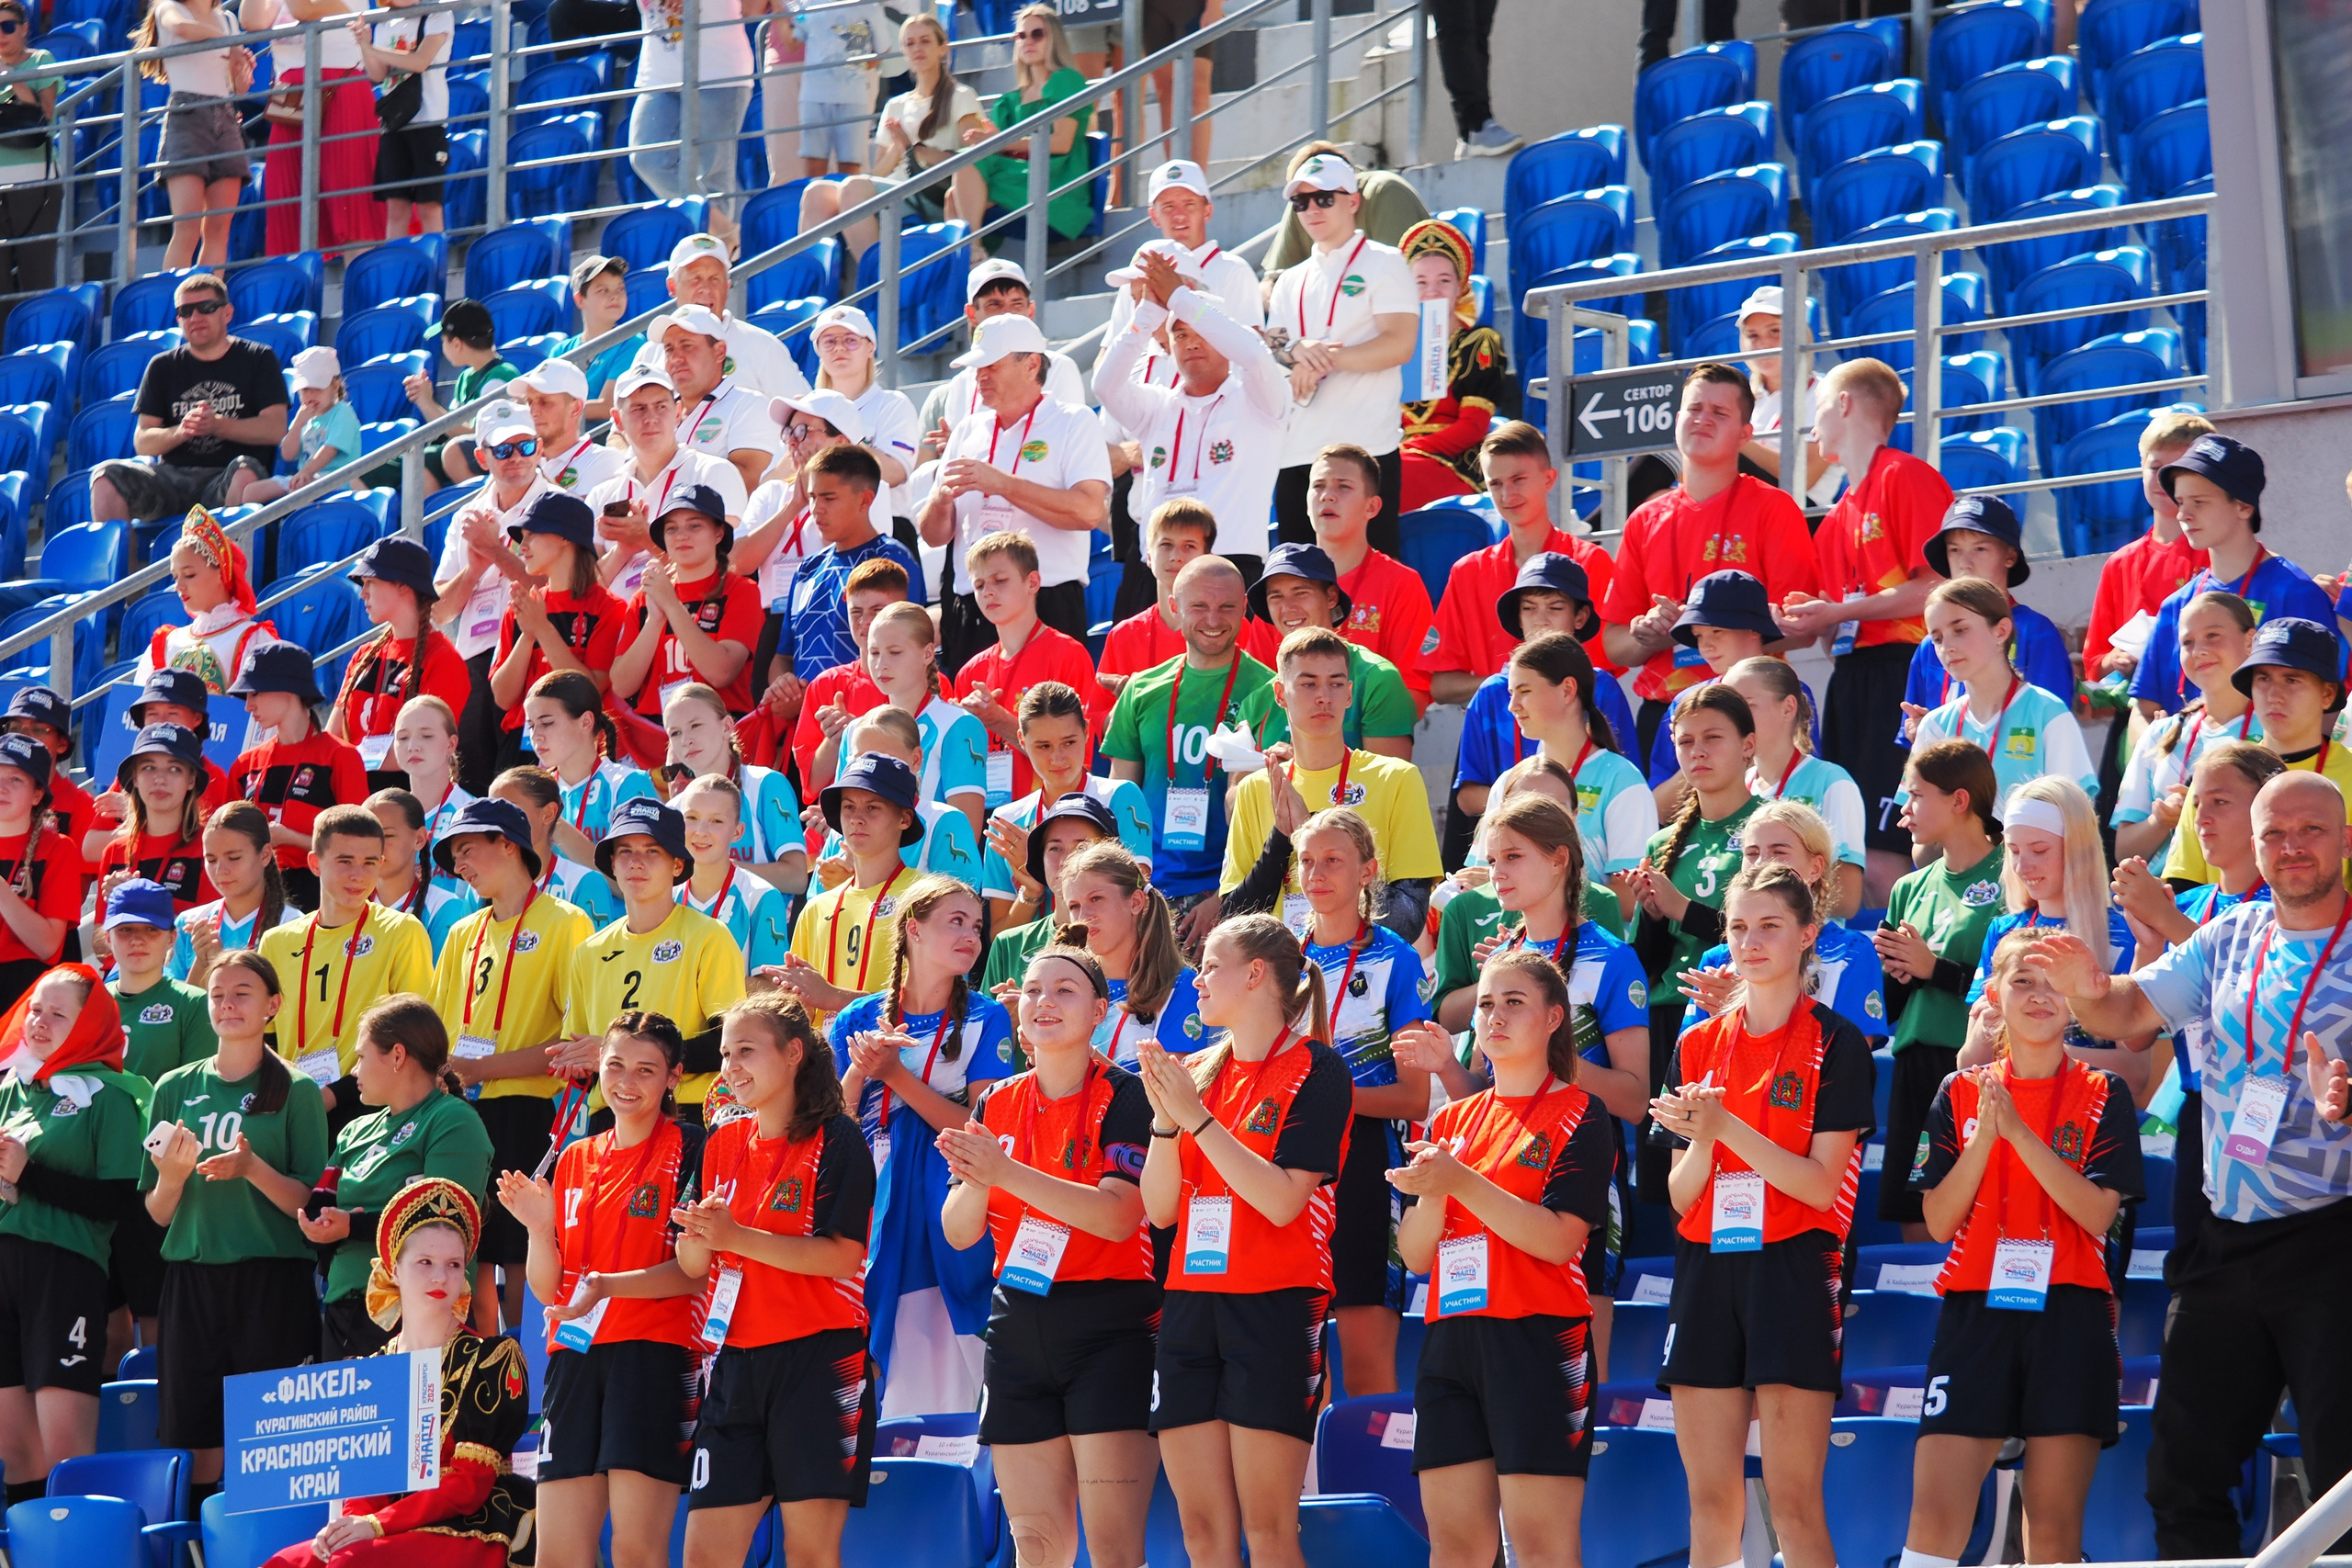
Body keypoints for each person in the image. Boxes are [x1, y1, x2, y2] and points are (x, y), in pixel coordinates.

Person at [2026, 769, 2352, 1558]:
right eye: (2273, 833)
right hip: (2222, 1239)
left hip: (2333, 1244)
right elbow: (2130, 1010)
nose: (2290, 847)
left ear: (2343, 838)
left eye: (2309, 829)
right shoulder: (2230, 933)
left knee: (2340, 1481)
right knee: (2183, 1473)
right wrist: (2083, 990)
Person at [1649, 863, 1874, 1568]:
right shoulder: (1696, 1042)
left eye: (1770, 925)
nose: (1750, 940)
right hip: (1707, 1264)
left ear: (1808, 935)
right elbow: (1682, 1194)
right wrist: (1708, 1135)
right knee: (1711, 1502)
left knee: (1793, 1501)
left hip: (1794, 1265)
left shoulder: (1837, 1042)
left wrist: (1725, 1127)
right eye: (1739, 926)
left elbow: (1818, 1184)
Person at [1899, 931, 2142, 1568]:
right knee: (1933, 1519)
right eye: (2022, 981)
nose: (2039, 996)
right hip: (1975, 1311)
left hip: (2072, 1313)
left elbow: (2096, 1212)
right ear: (1993, 997)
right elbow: (1939, 1219)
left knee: (2053, 1533)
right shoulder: (1958, 1092)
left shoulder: (2103, 1091)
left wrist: (2019, 1132)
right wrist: (1986, 1133)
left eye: (2052, 981)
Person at [1135, 915, 1351, 1568]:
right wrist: (1163, 1124)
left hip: (1277, 1304)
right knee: (1201, 1530)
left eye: (1210, 964)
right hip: (1192, 1306)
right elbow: (1161, 1210)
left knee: (1269, 1529)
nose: (1196, 979)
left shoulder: (1318, 1067)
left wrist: (1194, 1117)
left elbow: (1284, 1199)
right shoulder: (1195, 1070)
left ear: (1255, 973)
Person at [939, 942, 1159, 1568]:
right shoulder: (996, 1101)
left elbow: (1118, 1215)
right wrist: (982, 1177)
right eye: (1033, 990)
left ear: (1099, 1010)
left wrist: (1004, 1170)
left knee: (1114, 1548)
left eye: (1064, 990)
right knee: (1034, 1544)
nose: (1044, 1002)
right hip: (1017, 1322)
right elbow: (959, 1231)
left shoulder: (1126, 1094)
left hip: (1111, 1323)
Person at [1390, 950, 1612, 1568]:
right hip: (1451, 1343)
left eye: (1515, 1001)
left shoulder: (1580, 1111)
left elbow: (1559, 1239)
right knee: (1457, 1548)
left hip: (1538, 1340)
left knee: (1541, 1548)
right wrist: (1436, 1191)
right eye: (1486, 1002)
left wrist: (1459, 1181)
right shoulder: (1453, 1118)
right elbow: (1414, 1254)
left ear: (1553, 1019)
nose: (1495, 1014)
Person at [672, 995, 876, 1568]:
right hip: (735, 1366)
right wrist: (698, 1239)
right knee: (704, 1557)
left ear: (792, 1054)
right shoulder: (719, 1144)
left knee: (809, 1555)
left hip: (818, 1361)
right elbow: (693, 1266)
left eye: (745, 1052)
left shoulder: (838, 1139)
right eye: (725, 1054)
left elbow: (842, 1257)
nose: (731, 1066)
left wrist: (734, 1238)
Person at [501, 1013, 700, 1568]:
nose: (627, 1082)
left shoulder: (691, 1147)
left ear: (674, 1077)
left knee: (636, 1550)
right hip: (573, 1360)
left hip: (653, 1355)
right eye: (615, 1065)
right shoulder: (575, 1157)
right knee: (559, 1555)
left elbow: (695, 1272)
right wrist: (539, 1228)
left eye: (646, 1070)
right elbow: (548, 1285)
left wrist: (607, 1289)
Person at [267, 1179, 532, 1568]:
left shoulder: (491, 1359)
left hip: (471, 1526)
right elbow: (365, 1485)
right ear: (394, 1269)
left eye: (453, 1264)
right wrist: (351, 1524)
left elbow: (467, 1488)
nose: (440, 1277)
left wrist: (375, 1525)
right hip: (390, 1528)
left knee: (348, 1564)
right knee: (287, 1562)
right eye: (425, 1262)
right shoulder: (371, 1371)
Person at [141, 950, 327, 1500]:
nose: (226, 1004)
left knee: (270, 1445)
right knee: (192, 1442)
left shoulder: (296, 1089)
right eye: (218, 994)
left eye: (242, 993)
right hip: (193, 1281)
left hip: (272, 1282)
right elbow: (157, 1212)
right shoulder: (172, 1087)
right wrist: (172, 1178)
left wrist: (251, 1168)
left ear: (272, 1005)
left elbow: (309, 1205)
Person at [829, 877, 1012, 1415]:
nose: (971, 936)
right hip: (870, 1196)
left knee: (945, 1352)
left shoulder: (987, 1016)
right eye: (956, 922)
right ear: (913, 928)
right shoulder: (855, 1019)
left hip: (947, 1197)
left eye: (977, 926)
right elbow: (837, 1130)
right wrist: (861, 1074)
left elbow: (982, 1130)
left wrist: (897, 1078)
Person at [2112, 740, 2284, 1278]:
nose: (2201, 818)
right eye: (2197, 803)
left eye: (2222, 802)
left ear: (2265, 811)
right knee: (2195, 1264)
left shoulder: (2285, 905)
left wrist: (2164, 923)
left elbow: (2255, 988)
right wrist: (2146, 942)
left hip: (2270, 1106)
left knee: (2264, 1263)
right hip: (2200, 1109)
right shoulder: (2188, 906)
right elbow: (2135, 1039)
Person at [1599, 363, 1821, 754]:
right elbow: (1615, 645)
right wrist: (1646, 636)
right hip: (1665, 714)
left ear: (1745, 435)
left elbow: (1803, 629)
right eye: (1694, 409)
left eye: (1720, 413)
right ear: (1676, 419)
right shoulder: (1644, 519)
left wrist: (1705, 628)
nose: (1703, 420)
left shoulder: (1774, 508)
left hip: (1746, 714)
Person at [430, 798, 594, 1331]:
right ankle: (481, 1364)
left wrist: (484, 1069)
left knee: (520, 1247)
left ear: (509, 844)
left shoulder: (566, 922)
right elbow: (442, 1029)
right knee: (467, 1241)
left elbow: (569, 1041)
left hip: (528, 1108)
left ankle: (522, 1367)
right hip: (460, 1112)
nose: (460, 866)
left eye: (468, 849)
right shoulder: (460, 932)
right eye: (453, 855)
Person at [1292, 807, 1432, 1398]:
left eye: (1334, 861)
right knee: (1302, 1367)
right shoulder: (1280, 959)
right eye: (1306, 861)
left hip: (1367, 1166)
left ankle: (1376, 1487)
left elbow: (1414, 1095)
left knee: (1368, 1361)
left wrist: (1333, 1103)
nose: (1316, 873)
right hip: (1292, 1165)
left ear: (1367, 872)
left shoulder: (1393, 958)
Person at [0, 969, 144, 1504]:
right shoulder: (10, 1085)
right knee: (15, 1457)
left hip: (64, 1273)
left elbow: (119, 1203)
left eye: (58, 1014)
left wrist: (29, 1175)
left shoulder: (109, 1096)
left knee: (66, 1456)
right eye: (36, 1008)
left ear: (89, 1024)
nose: (39, 1021)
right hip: (4, 1272)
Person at [294, 994, 493, 1361]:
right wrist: (319, 1226)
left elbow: (443, 1225)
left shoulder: (452, 1120)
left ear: (398, 1056)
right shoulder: (355, 1130)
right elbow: (320, 1202)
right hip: (344, 1308)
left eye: (361, 1057)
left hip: (419, 1312)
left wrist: (350, 1226)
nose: (353, 1071)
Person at [1220, 628, 1444, 940]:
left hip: (1363, 971)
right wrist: (1282, 838)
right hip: (1283, 974)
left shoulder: (1396, 778)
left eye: (1336, 683)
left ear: (1349, 693)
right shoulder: (1256, 788)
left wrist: (1311, 832)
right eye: (1308, 683)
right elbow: (1233, 920)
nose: (1324, 696)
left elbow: (1408, 918)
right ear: (1280, 694)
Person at [1871, 740, 2009, 1241]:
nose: (1904, 811)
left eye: (1915, 795)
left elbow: (2008, 983)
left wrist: (1934, 969)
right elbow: (1890, 1003)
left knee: (1978, 1202)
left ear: (1959, 800)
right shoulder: (1910, 887)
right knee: (1918, 1205)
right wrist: (1901, 975)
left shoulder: (2011, 875)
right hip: (1914, 1063)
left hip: (1975, 1061)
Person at [920, 313, 1113, 671]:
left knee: (1046, 721)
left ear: (1032, 364)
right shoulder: (967, 429)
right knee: (975, 721)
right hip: (973, 603)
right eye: (977, 367)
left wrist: (1003, 485)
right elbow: (933, 535)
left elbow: (1088, 511)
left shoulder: (1073, 420)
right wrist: (940, 500)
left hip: (1047, 599)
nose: (980, 375)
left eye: (991, 365)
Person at [1103, 557, 1276, 949]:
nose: (1213, 619)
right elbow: (1121, 799)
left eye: (1227, 607)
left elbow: (1270, 817)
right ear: (1175, 607)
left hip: (1230, 892)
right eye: (1199, 606)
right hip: (1148, 891)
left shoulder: (1270, 691)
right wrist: (1132, 891)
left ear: (1245, 609)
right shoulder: (1142, 689)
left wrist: (1229, 896)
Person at [1094, 243, 1289, 579]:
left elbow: (1255, 355)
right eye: (1181, 335)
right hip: (1158, 571)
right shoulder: (1157, 405)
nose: (1192, 343)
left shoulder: (1259, 401)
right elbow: (1105, 387)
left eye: (1203, 335)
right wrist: (1147, 317)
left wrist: (1179, 298)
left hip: (1231, 568)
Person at [1626, 683, 1762, 1152]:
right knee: (1671, 1171)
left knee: (1731, 1162)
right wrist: (1654, 914)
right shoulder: (1661, 843)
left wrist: (1680, 908)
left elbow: (1768, 928)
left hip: (1741, 1013)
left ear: (1748, 746)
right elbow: (1649, 961)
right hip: (1668, 1016)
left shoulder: (1772, 827)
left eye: (1713, 738)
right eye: (1685, 742)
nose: (1697, 752)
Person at [1959, 775, 2150, 1098]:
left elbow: (2136, 1072)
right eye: (2014, 851)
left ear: (2077, 850)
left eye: (2039, 850)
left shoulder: (2127, 932)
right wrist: (1988, 1031)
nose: (2022, 866)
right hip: (2010, 1113)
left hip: (2087, 1119)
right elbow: (1967, 1066)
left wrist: (2036, 1052)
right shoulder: (2003, 931)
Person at [2129, 433, 2343, 716]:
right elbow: (2143, 710)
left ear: (2244, 506)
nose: (2183, 515)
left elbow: (2327, 709)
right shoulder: (2177, 606)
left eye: (2199, 502)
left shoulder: (2296, 594)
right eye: (2181, 502)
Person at [1266, 152, 1418, 548]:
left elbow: (1400, 343)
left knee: (1370, 586)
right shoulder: (1289, 280)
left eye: (1324, 198)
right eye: (1301, 202)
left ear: (1353, 202)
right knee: (1300, 586)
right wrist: (1298, 351)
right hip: (1297, 453)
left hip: (1367, 450)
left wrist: (1323, 358)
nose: (1312, 209)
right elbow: (1275, 347)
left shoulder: (1386, 262)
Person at [563, 798, 748, 1121]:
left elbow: (729, 1041)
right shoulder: (589, 951)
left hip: (683, 1112)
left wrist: (622, 1055)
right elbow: (583, 1059)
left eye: (652, 851)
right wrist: (576, 1063)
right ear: (612, 864)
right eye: (625, 851)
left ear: (677, 865)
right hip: (610, 1116)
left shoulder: (709, 935)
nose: (636, 862)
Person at [256, 807, 435, 1124]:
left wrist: (333, 1095)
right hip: (294, 1104)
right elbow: (262, 1035)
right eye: (345, 861)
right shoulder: (277, 940)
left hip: (370, 1110)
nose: (358, 875)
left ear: (381, 865)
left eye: (369, 863)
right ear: (315, 863)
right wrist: (295, 1087)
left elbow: (411, 1038)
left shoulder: (402, 932)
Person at [1427, 422, 1617, 705]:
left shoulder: (1590, 561)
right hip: (1494, 735)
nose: (1507, 495)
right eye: (1496, 484)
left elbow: (1603, 672)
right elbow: (1441, 686)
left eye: (1518, 480)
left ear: (1549, 479)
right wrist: (1507, 682)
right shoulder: (1468, 571)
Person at [1676, 801, 1889, 1047]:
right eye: (1752, 853)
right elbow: (1690, 1064)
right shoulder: (1719, 961)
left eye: (1778, 852)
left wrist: (1748, 1008)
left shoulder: (1850, 952)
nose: (1762, 864)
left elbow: (1851, 1060)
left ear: (1815, 868)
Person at [1453, 558, 1634, 840]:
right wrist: (1534, 808)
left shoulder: (1603, 687)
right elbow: (1467, 795)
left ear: (1580, 617)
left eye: (1555, 607)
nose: (1541, 619)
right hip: (1508, 842)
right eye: (1528, 608)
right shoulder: (1491, 693)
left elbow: (1627, 776)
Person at [2166, 616, 2352, 884]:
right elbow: (2182, 886)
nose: (2274, 694)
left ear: (2327, 694)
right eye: (2263, 678)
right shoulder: (2214, 775)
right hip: (2213, 925)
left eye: (2291, 680)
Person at [93, 276, 288, 525]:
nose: (195, 317)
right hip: (172, 478)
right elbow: (143, 441)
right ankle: (131, 565)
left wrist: (217, 425)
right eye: (186, 311)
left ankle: (230, 563)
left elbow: (275, 429)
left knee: (244, 471)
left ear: (227, 313)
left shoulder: (258, 358)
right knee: (105, 477)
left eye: (206, 308)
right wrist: (182, 431)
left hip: (229, 473)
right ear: (179, 320)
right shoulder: (162, 366)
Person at [1900, 578, 2098, 818]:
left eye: (1960, 630)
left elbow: (2078, 821)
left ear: (2001, 631)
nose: (1947, 647)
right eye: (1938, 638)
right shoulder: (1935, 725)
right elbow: (1919, 838)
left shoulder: (2048, 713)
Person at [758, 442, 923, 727]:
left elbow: (912, 649)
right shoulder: (807, 570)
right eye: (812, 497)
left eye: (829, 498)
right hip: (808, 731)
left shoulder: (894, 560)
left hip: (873, 726)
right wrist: (783, 686)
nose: (815, 509)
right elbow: (783, 656)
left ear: (865, 500)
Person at [431, 403, 550, 785]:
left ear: (540, 447)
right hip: (476, 665)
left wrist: (497, 552)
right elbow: (441, 611)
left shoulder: (560, 507)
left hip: (535, 656)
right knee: (474, 787)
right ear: (482, 457)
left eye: (525, 447)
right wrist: (475, 570)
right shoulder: (467, 515)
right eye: (502, 450)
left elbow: (560, 591)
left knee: (521, 788)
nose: (516, 457)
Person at [952, 530, 1112, 807]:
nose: (988, 592)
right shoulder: (970, 672)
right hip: (989, 818)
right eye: (978, 585)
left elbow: (1075, 759)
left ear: (1033, 582)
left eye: (1000, 581)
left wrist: (998, 720)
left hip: (1051, 815)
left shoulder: (1067, 654)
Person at [800, 13, 986, 248]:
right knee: (815, 192)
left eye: (925, 41)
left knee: (853, 186)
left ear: (942, 47)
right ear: (904, 53)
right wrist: (898, 150)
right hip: (894, 192)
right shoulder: (895, 105)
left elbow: (972, 164)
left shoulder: (961, 96)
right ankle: (814, 283)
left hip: (931, 194)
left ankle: (877, 279)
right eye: (910, 43)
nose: (917, 48)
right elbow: (878, 172)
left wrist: (914, 149)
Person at [976, 684, 1156, 927]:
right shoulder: (1006, 821)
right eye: (1043, 746)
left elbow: (1136, 903)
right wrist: (1031, 891)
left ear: (1087, 731)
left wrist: (1039, 865)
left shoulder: (1120, 798)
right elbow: (1000, 939)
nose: (1057, 758)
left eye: (1069, 742)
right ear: (1021, 739)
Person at [772, 755, 924, 1028]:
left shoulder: (927, 896)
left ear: (904, 818)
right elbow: (801, 1016)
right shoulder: (816, 908)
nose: (857, 819)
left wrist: (833, 997)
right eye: (848, 807)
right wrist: (798, 1006)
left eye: (873, 807)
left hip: (898, 1060)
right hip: (824, 1065)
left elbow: (931, 1003)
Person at [1496, 632, 1654, 892]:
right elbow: (1481, 879)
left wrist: (1542, 896)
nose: (1513, 705)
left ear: (1568, 690)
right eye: (1511, 693)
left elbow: (1630, 898)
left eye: (1524, 691)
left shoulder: (1621, 780)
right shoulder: (1508, 783)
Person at [2112, 591, 2258, 867]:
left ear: (2250, 641)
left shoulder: (2277, 727)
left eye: (2213, 635)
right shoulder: (2159, 735)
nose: (2199, 650)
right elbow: (2125, 851)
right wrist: (2160, 821)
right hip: (2171, 902)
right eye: (2187, 642)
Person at [490, 492, 631, 773]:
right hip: (521, 745)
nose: (523, 546)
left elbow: (591, 687)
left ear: (566, 538)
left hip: (577, 746)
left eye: (532, 534)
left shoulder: (609, 607)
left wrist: (542, 628)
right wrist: (528, 635)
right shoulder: (524, 607)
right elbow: (503, 697)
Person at [585, 368, 752, 604]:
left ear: (678, 412)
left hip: (688, 624)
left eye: (661, 406)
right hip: (620, 632)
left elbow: (728, 567)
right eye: (638, 408)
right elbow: (586, 593)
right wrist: (623, 549)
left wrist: (645, 539)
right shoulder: (602, 493)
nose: (651, 418)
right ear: (618, 420)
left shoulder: (712, 473)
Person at [1237, 543, 1419, 757]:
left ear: (1332, 597)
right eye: (1276, 596)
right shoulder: (1258, 698)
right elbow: (1235, 788)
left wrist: (1305, 769)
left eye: (1301, 592)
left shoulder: (1377, 678)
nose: (1288, 608)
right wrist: (1269, 772)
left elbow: (1392, 785)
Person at [1901, 496, 2076, 718]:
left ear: (2010, 556)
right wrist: (1920, 730)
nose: (1965, 562)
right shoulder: (1933, 644)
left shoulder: (2035, 631)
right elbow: (1913, 729)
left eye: (1980, 549)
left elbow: (2052, 719)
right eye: (1954, 550)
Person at [1294, 446, 1438, 710]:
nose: (1327, 496)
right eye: (1318, 486)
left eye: (1343, 487)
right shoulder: (1282, 584)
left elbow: (1413, 693)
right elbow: (1260, 685)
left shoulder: (1401, 583)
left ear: (1371, 506)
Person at [228, 642, 370, 908]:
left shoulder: (341, 756)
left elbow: (360, 846)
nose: (248, 705)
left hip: (320, 891)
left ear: (289, 689)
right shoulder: (245, 764)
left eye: (255, 693)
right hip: (256, 889)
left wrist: (290, 839)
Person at [831, 600, 987, 836]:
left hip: (931, 872)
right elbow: (845, 826)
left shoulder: (959, 726)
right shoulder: (855, 731)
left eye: (895, 652)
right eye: (874, 652)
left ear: (927, 653)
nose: (881, 664)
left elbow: (965, 834)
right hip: (869, 871)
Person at [614, 484, 767, 721]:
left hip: (717, 726)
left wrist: (672, 606)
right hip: (655, 731)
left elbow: (721, 672)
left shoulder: (741, 591)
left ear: (719, 534)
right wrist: (655, 621)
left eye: (694, 526)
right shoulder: (646, 596)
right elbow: (622, 685)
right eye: (671, 528)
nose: (681, 536)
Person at [2086, 408, 2215, 689]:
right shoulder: (2120, 563)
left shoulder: (2217, 551)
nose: (2164, 479)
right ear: (2141, 469)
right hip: (2139, 713)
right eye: (2156, 468)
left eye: (2179, 469)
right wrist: (2116, 659)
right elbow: (2093, 664)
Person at [331, 538, 473, 789]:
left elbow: (429, 747)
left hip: (406, 795)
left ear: (402, 586)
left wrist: (352, 763)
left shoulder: (444, 660)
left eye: (371, 583)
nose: (362, 593)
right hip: (351, 789)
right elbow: (333, 734)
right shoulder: (363, 654)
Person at [914, 259, 1092, 457]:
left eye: (1017, 304)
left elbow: (1063, 446)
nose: (1007, 313)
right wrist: (957, 447)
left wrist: (971, 448)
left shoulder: (1060, 367)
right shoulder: (961, 383)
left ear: (1030, 311)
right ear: (972, 314)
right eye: (994, 304)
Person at [1396, 218, 1515, 510]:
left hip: (1453, 465)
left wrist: (1410, 450)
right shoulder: (1395, 347)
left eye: (1444, 281)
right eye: (1420, 282)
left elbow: (1473, 426)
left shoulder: (1479, 342)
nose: (1432, 291)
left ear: (1460, 287)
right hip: (1399, 455)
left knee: (1384, 475)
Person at [245, 0, 377, 257]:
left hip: (341, 87)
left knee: (350, 205)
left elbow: (304, 11)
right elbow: (251, 21)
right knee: (287, 204)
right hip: (292, 97)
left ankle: (362, 290)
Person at [131, 511, 279, 738]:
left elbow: (264, 729)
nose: (179, 586)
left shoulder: (253, 641)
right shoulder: (165, 643)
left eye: (189, 575)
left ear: (220, 573)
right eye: (175, 577)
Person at [624, 0, 763, 236]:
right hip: (659, 75)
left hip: (719, 71)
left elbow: (752, 8)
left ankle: (716, 249)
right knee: (646, 158)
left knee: (712, 175)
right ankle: (725, 234)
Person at [806, 707, 985, 887]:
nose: (871, 768)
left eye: (884, 758)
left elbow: (960, 908)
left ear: (916, 760)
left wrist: (856, 887)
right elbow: (815, 910)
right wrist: (838, 894)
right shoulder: (844, 827)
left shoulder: (943, 821)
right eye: (860, 758)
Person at [135, 0, 253, 268]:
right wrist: (229, 42)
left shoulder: (227, 20)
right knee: (187, 228)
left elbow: (239, 87)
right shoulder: (168, 8)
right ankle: (176, 305)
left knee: (219, 230)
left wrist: (243, 70)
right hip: (186, 116)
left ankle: (209, 302)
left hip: (224, 115)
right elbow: (183, 28)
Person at [623, 234, 808, 402]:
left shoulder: (762, 346)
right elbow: (620, 429)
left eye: (715, 279)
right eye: (695, 279)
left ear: (727, 287)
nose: (706, 289)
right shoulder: (650, 353)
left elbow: (805, 410)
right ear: (672, 287)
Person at [662, 683, 807, 891]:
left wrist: (719, 870)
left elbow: (796, 878)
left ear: (727, 726)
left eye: (695, 726)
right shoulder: (674, 809)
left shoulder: (766, 784)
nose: (686, 740)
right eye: (675, 733)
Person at [521, 669, 657, 881]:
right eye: (531, 726)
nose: (536, 736)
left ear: (586, 722)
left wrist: (551, 822)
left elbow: (631, 883)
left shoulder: (629, 784)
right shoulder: (533, 793)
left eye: (547, 723)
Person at [975, 6, 1095, 242]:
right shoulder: (1009, 101)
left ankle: (975, 254)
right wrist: (990, 141)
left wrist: (1000, 142)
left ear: (1054, 38)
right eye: (1021, 35)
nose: (1028, 41)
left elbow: (1061, 143)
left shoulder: (1065, 80)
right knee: (957, 190)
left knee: (966, 189)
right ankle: (975, 257)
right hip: (1018, 177)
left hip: (1056, 185)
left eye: (1037, 34)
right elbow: (1002, 151)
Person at [650, 306, 785, 502]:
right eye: (669, 349)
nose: (676, 358)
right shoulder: (657, 411)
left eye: (687, 346)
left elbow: (745, 484)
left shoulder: (749, 405)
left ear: (720, 351)